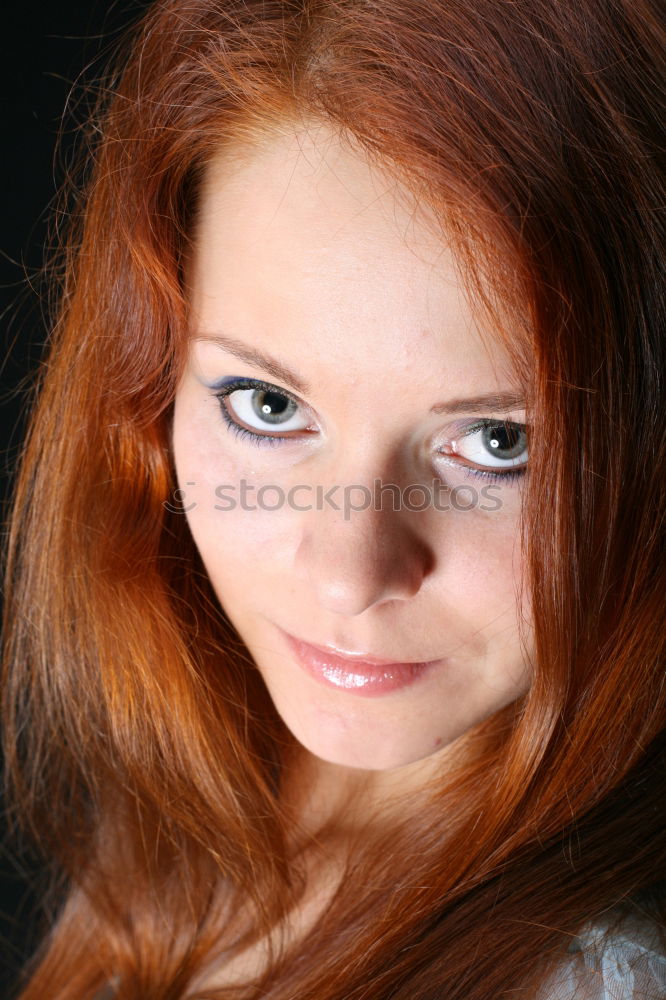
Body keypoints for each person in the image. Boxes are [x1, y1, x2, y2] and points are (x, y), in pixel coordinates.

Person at [2, 1, 664, 998]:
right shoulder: (216, 782)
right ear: (150, 384)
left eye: (499, 442)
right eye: (266, 405)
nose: (350, 574)